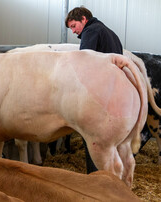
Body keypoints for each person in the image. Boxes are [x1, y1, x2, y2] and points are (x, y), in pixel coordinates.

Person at [64, 6, 123, 174]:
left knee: (92, 138)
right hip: (114, 93)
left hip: (100, 95)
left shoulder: (91, 32)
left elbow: (84, 64)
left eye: (74, 26)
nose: (74, 32)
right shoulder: (111, 33)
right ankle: (108, 176)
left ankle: (95, 178)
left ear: (84, 19)